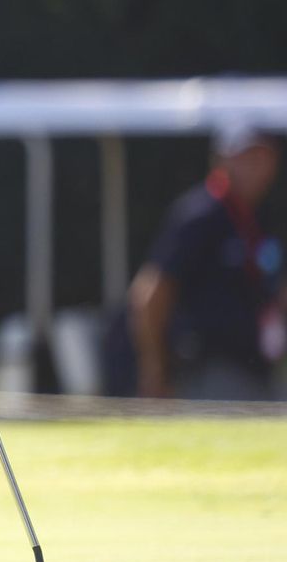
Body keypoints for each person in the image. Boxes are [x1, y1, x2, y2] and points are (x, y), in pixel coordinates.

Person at [111, 126, 283, 400]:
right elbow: (149, 296)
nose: (256, 168)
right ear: (222, 159)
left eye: (263, 157)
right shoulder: (199, 215)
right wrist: (154, 371)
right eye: (247, 157)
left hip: (255, 366)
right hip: (207, 370)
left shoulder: (259, 217)